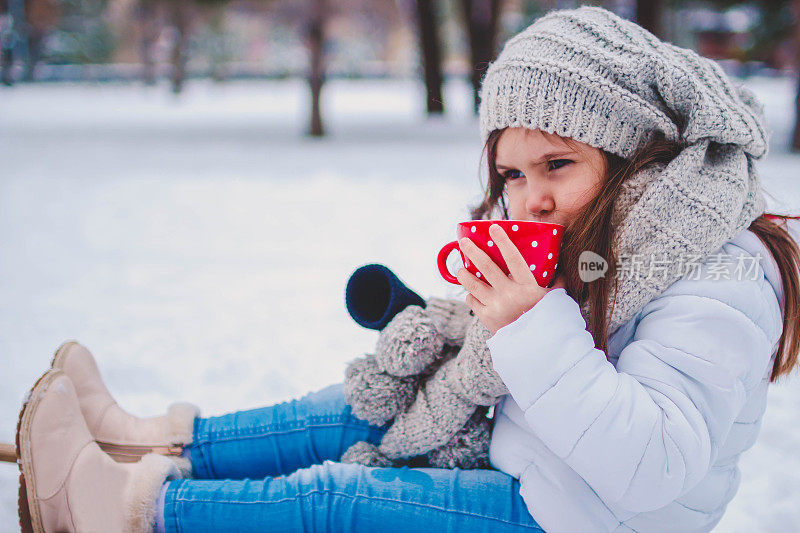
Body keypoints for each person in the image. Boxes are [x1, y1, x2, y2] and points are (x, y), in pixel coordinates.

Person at [16, 6, 800, 533]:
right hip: (536, 459)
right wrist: (459, 329)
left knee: (339, 499)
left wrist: (529, 322)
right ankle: (145, 444)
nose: (528, 199)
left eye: (556, 164)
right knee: (360, 406)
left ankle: (129, 510)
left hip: (578, 515)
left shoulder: (717, 272)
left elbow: (652, 465)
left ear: (636, 149)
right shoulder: (608, 227)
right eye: (511, 176)